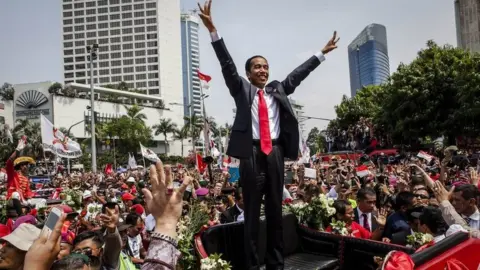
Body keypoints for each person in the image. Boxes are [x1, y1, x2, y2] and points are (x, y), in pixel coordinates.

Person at [197, 1, 339, 269]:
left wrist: (322, 53)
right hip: (250, 154)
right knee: (252, 215)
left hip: (275, 152)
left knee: (275, 212)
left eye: (266, 66)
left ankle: (276, 265)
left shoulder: (278, 90)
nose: (263, 70)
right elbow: (227, 64)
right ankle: (252, 265)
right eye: (257, 67)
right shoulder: (242, 90)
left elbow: (299, 74)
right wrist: (213, 30)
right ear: (249, 73)